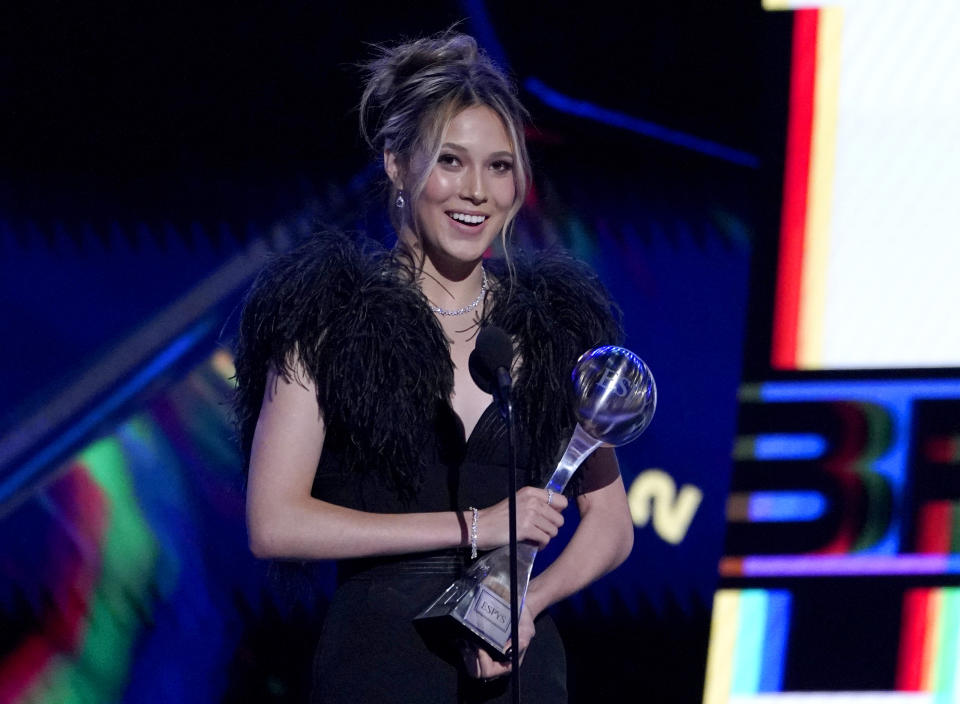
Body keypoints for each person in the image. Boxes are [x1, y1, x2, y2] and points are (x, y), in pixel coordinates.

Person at [233, 31, 635, 703]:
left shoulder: (553, 331)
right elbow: (275, 523)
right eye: (451, 161)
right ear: (395, 162)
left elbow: (612, 523)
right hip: (382, 662)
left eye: (500, 166)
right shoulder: (324, 320)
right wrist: (476, 528)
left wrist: (527, 603)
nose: (476, 191)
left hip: (517, 667)